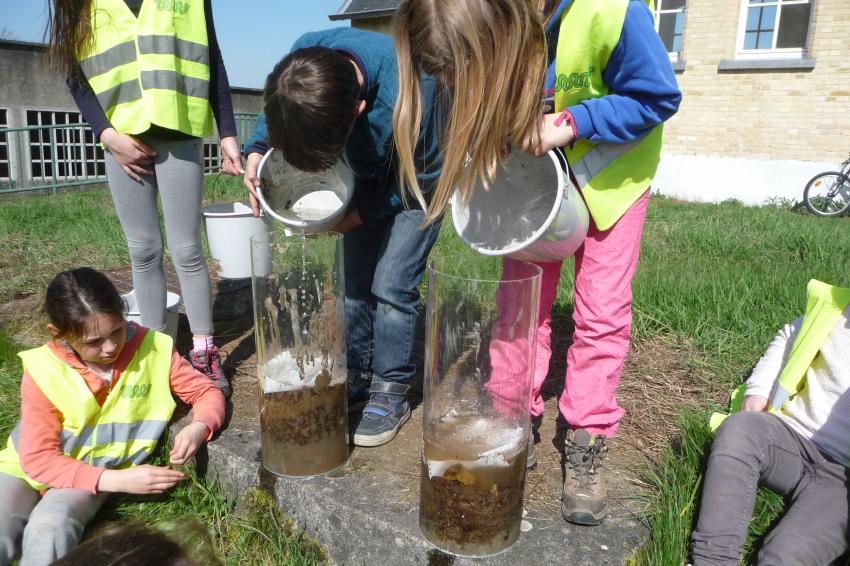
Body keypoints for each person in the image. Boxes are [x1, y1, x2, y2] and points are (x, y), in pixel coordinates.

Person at [393, 0, 681, 525]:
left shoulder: (612, 11)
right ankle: (510, 417)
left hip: (613, 179)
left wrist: (570, 123)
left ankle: (589, 431)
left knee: (602, 309)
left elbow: (658, 96)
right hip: (536, 185)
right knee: (517, 304)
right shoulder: (498, 20)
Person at [240, 28, 442, 448]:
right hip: (364, 176)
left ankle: (391, 388)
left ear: (360, 110)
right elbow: (276, 109)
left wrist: (362, 214)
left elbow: (427, 174)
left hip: (420, 187)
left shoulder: (416, 88)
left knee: (391, 283)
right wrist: (258, 148)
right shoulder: (303, 60)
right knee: (352, 280)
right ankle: (359, 374)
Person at [48, 0, 245, 396]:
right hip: (121, 140)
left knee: (187, 248)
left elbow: (212, 59)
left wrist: (227, 133)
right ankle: (156, 352)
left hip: (179, 134)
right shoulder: (79, 5)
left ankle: (204, 351)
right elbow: (76, 75)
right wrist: (107, 135)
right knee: (143, 250)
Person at [0, 267, 225, 566]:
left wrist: (199, 426)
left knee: (50, 528)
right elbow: (38, 458)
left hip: (86, 477)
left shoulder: (154, 349)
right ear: (59, 334)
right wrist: (119, 480)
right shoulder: (43, 368)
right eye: (93, 342)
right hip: (25, 470)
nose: (109, 348)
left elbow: (205, 392)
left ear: (124, 313)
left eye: (116, 331)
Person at [691, 280, 850, 565]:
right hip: (789, 435)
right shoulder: (835, 309)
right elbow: (789, 336)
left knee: (785, 556)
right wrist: (759, 390)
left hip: (842, 479)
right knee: (740, 431)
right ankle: (712, 558)